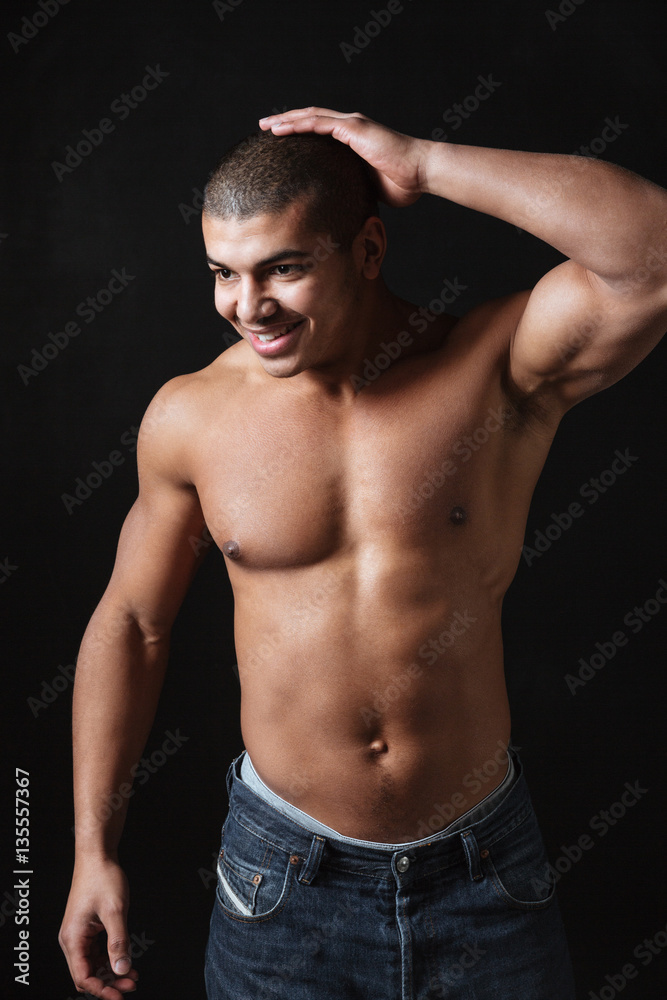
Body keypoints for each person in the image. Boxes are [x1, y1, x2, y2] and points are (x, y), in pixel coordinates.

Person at [59, 106, 667, 999]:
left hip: (483, 874)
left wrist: (423, 161)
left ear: (369, 250)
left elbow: (649, 254)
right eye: (223, 273)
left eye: (285, 268)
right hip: (280, 880)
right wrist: (87, 851)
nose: (248, 305)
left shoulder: (491, 369)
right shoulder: (190, 417)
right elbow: (133, 624)